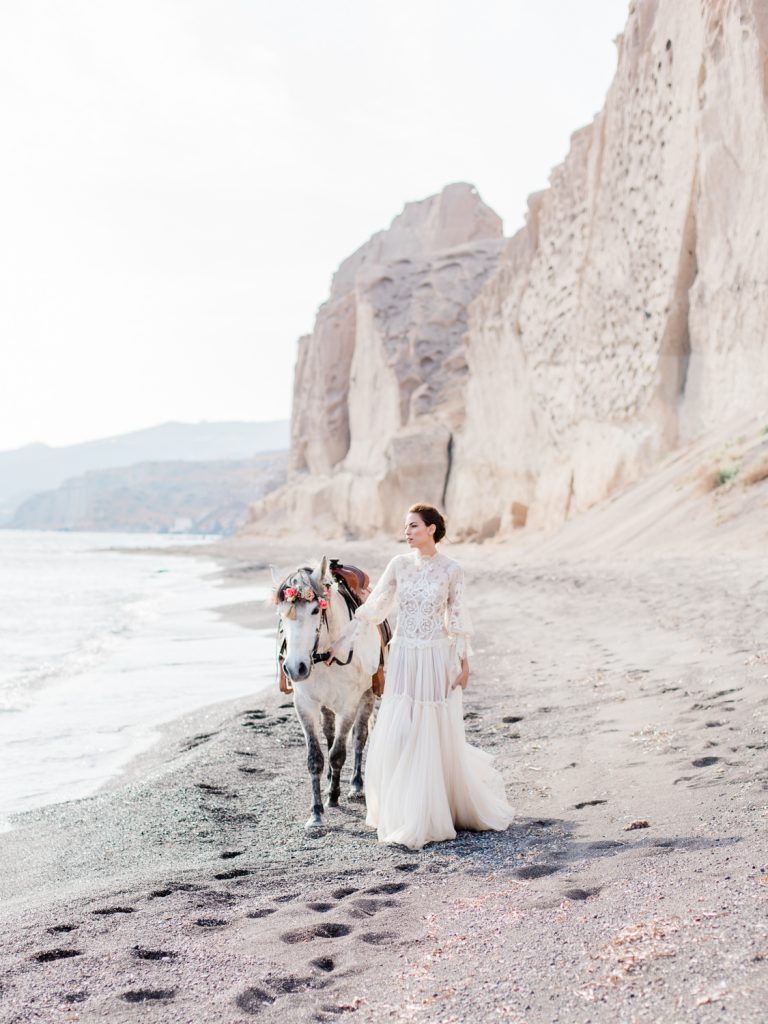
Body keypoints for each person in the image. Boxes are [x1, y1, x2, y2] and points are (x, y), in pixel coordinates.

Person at [336, 503, 513, 850]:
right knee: (402, 726)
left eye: (414, 526)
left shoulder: (451, 569)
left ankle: (435, 808)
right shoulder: (398, 565)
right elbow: (377, 606)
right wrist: (344, 621)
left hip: (435, 654)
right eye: (406, 526)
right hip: (403, 655)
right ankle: (402, 807)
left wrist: (464, 661)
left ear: (432, 528)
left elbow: (457, 616)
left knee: (431, 728)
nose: (407, 532)